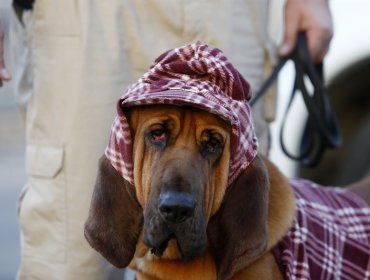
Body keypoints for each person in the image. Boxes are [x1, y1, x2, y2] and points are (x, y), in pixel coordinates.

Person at [0, 0, 333, 279]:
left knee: (237, 249)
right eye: (158, 134)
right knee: (69, 263)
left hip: (230, 10)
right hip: (91, 15)